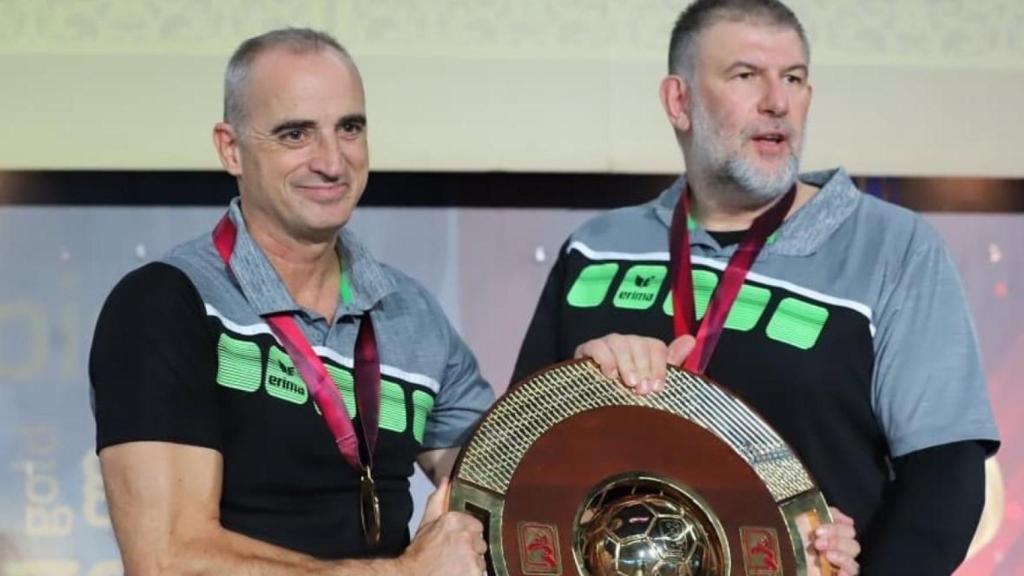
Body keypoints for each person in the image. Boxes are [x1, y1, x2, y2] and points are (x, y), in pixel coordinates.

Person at [512, 0, 1000, 574]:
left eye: (792, 78)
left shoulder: (893, 248)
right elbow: (519, 453)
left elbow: (944, 479)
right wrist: (578, 385)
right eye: (746, 75)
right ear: (679, 101)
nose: (777, 102)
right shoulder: (597, 247)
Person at [89, 28, 494, 575]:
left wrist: (593, 386)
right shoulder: (163, 305)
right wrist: (402, 573)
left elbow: (508, 481)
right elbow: (168, 560)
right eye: (296, 134)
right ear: (231, 148)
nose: (332, 161)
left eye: (349, 128)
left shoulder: (411, 312)